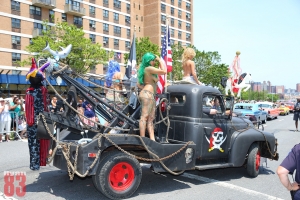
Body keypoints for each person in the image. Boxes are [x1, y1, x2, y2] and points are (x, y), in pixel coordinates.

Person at [138, 52, 166, 141]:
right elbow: (164, 71)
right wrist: (160, 60)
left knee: (150, 119)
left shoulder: (146, 70)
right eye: (153, 60)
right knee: (144, 117)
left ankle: (152, 139)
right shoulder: (148, 68)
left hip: (148, 94)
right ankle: (142, 139)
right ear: (149, 61)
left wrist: (146, 88)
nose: (154, 62)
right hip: (147, 94)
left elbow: (138, 84)